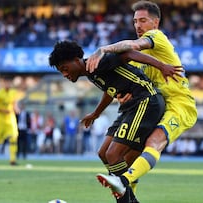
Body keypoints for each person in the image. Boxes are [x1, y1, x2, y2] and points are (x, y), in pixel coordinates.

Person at [86, 1, 197, 200]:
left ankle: (123, 181)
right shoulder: (140, 58)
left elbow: (132, 45)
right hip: (156, 104)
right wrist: (124, 96)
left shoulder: (156, 37)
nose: (138, 25)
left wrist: (103, 49)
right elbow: (131, 83)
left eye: (143, 20)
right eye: (135, 21)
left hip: (179, 104)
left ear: (155, 23)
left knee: (155, 141)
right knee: (125, 157)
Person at [49, 40, 179, 203]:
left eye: (65, 69)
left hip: (146, 100)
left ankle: (127, 201)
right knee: (103, 153)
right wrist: (96, 113)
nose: (65, 75)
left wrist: (161, 66)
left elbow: (128, 54)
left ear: (76, 60)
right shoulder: (91, 73)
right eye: (61, 72)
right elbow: (109, 92)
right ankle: (130, 200)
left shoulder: (99, 62)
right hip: (130, 107)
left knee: (113, 154)